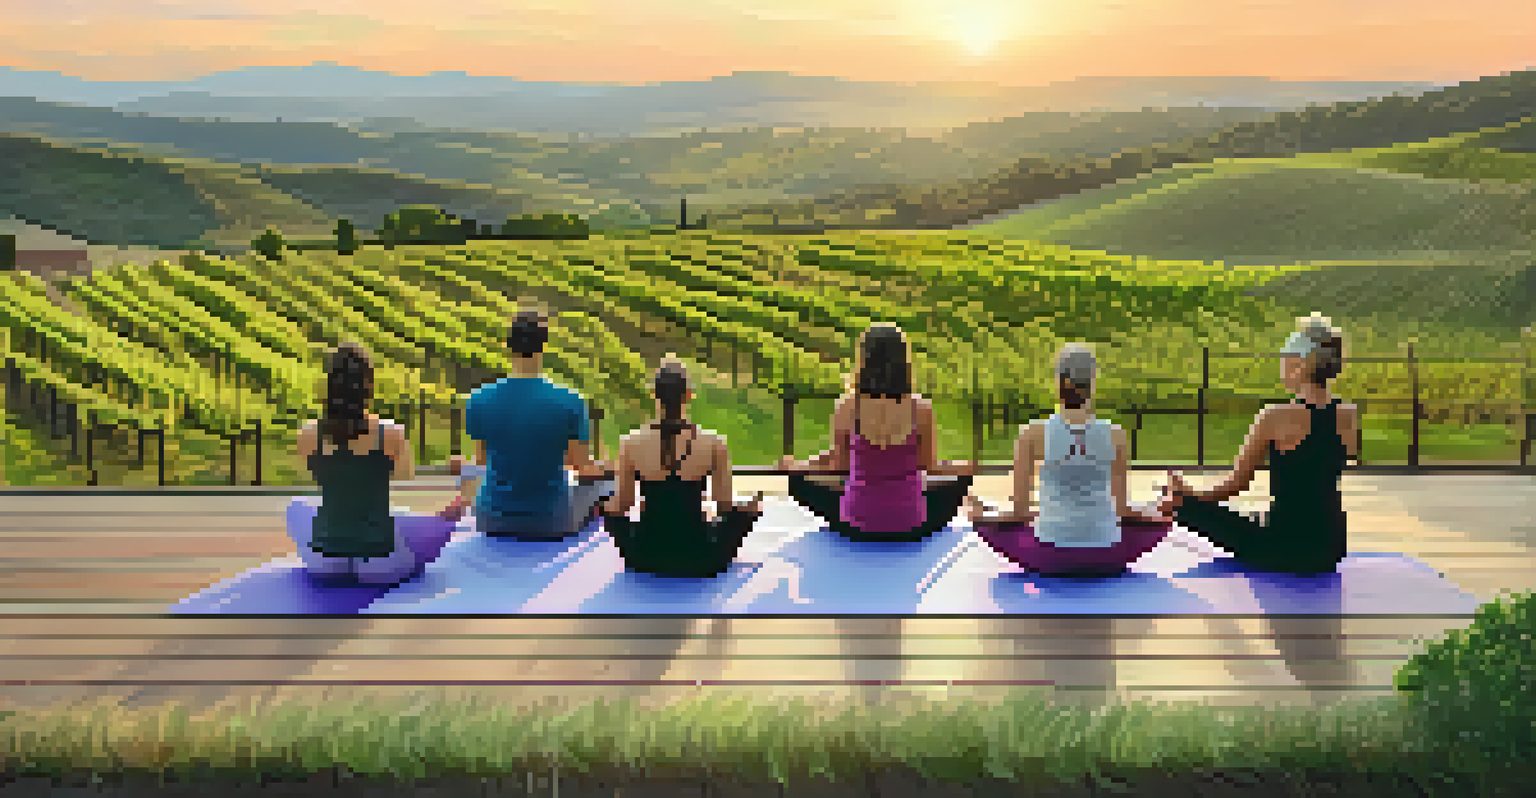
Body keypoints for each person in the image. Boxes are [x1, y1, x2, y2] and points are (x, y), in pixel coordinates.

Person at [1157, 314, 1358, 574]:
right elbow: (1323, 470)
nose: (1281, 364)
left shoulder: (1273, 416)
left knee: (1179, 504)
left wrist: (1189, 496)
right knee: (1259, 517)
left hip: (1283, 546)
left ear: (1301, 365)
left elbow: (1235, 485)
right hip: (1330, 547)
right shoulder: (1349, 415)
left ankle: (1175, 501)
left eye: (1286, 357)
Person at [966, 343, 1172, 576]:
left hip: (1050, 553)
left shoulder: (1032, 434)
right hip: (1106, 555)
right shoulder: (1117, 435)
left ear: (1058, 382)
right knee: (1160, 522)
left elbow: (1019, 513)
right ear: (1093, 383)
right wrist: (1156, 511)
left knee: (990, 523)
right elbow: (1122, 510)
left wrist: (982, 515)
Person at [778, 322, 974, 542]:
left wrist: (799, 467)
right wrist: (962, 467)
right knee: (958, 482)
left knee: (798, 482)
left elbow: (839, 466)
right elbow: (929, 466)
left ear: (863, 361)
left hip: (856, 524)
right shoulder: (921, 409)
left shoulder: (848, 406)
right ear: (903, 362)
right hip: (910, 524)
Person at [290, 342, 459, 584]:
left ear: (329, 385)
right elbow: (406, 475)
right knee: (410, 539)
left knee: (296, 506)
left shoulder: (307, 435)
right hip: (379, 560)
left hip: (323, 560)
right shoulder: (391, 433)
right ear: (368, 385)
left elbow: (312, 472)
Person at [460, 301, 615, 539]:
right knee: (607, 487)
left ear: (508, 345)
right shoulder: (570, 400)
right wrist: (609, 467)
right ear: (543, 345)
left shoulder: (478, 399)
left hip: (491, 519)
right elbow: (581, 469)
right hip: (552, 521)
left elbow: (482, 461)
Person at [599, 356, 765, 577]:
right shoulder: (714, 443)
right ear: (688, 395)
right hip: (701, 556)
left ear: (654, 394)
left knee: (607, 510)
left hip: (645, 555)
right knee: (744, 514)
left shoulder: (630, 443)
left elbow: (623, 505)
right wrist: (747, 509)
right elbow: (723, 505)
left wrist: (603, 506)